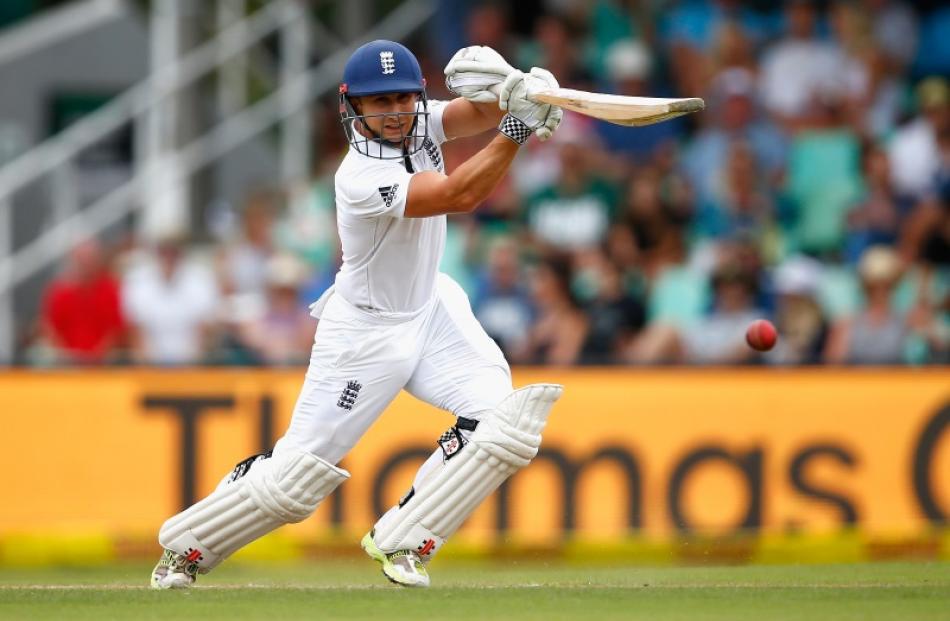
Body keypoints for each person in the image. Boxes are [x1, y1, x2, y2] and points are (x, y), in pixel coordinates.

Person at [150, 41, 564, 589]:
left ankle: (404, 542)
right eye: (378, 102)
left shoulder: (422, 124)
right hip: (365, 333)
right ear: (354, 107)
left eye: (402, 98)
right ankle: (186, 549)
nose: (393, 112)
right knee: (294, 483)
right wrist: (519, 127)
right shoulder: (358, 177)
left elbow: (476, 113)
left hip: (431, 308)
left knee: (504, 427)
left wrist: (520, 90)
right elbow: (458, 194)